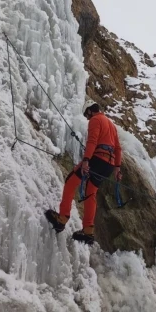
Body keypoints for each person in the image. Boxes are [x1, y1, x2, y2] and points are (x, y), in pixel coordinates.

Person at [45, 99, 122, 244]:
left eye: (87, 115)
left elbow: (92, 140)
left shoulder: (95, 120)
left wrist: (86, 160)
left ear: (90, 111)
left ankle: (62, 218)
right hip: (109, 165)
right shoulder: (111, 125)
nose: (87, 119)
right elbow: (118, 148)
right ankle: (88, 230)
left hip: (98, 159)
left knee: (70, 181)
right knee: (91, 192)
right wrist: (117, 168)